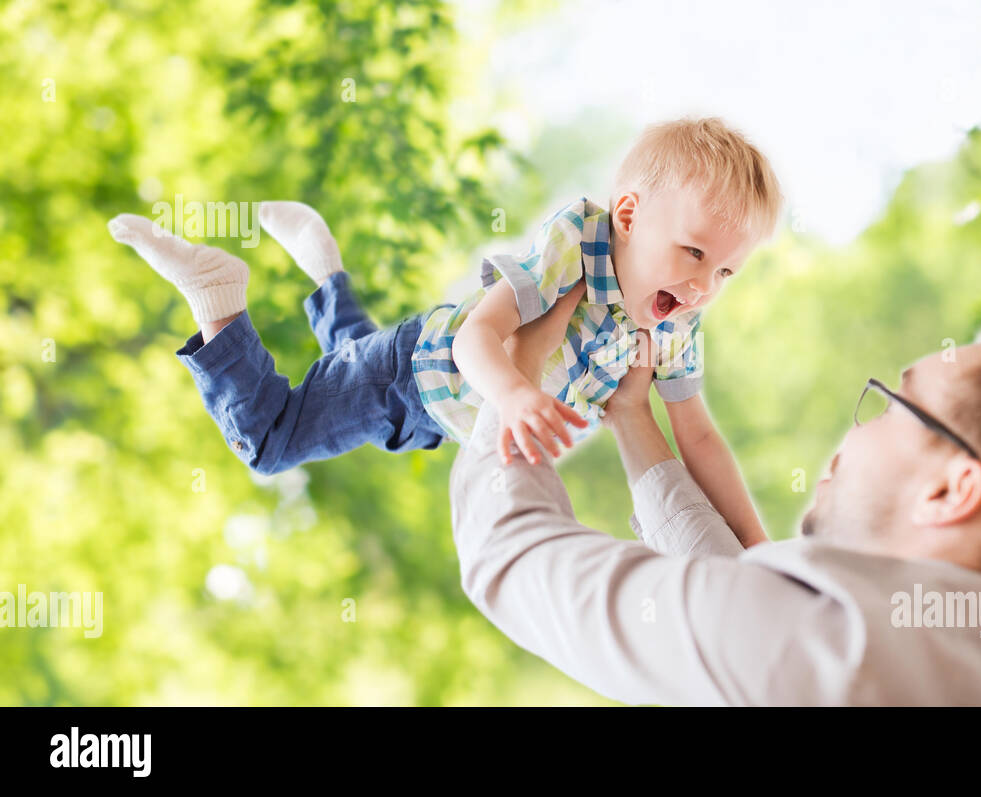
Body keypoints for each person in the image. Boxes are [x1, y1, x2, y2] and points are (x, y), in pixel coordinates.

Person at [106, 117, 782, 548]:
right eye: (693, 253)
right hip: (414, 368)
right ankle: (217, 292)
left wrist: (756, 547)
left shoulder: (675, 324)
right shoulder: (579, 243)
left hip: (436, 416)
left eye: (726, 271)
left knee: (348, 364)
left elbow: (697, 436)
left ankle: (323, 265)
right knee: (270, 440)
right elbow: (474, 337)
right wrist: (515, 396)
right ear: (629, 215)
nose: (703, 287)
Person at [451, 315, 981, 706]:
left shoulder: (825, 656)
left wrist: (518, 372)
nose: (857, 425)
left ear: (952, 490)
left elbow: (509, 557)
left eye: (896, 403)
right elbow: (752, 602)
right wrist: (635, 420)